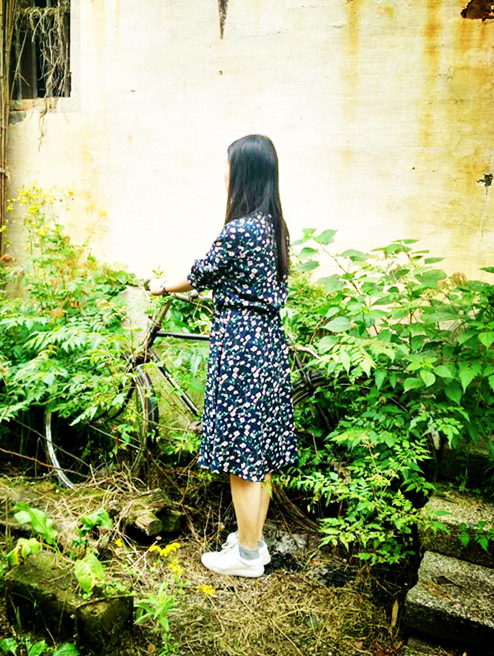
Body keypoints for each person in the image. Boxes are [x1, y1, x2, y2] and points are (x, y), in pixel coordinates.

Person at [149, 134, 296, 577]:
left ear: (244, 172)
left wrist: (161, 286)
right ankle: (254, 542)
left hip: (241, 348)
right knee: (260, 453)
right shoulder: (274, 227)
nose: (226, 173)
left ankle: (246, 557)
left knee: (240, 456)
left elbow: (200, 273)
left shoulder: (240, 230)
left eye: (231, 166)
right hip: (267, 344)